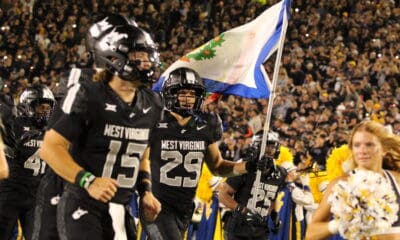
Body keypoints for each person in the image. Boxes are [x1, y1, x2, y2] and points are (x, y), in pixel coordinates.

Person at [39, 23, 163, 239]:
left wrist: (146, 191)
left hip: (122, 207)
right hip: (83, 201)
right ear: (114, 57)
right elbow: (50, 148)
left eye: (148, 56)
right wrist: (89, 181)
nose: (146, 63)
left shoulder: (153, 103)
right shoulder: (90, 94)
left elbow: (142, 153)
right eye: (138, 56)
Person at [141, 67, 259, 240]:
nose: (188, 98)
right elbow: (140, 161)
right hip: (158, 205)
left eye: (192, 94)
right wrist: (145, 192)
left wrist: (247, 166)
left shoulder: (205, 126)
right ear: (170, 93)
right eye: (183, 93)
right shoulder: (155, 121)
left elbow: (218, 167)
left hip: (185, 207)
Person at [305, 120, 400, 240]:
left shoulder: (397, 180)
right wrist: (339, 224)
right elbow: (311, 233)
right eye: (357, 145)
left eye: (369, 144)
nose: (362, 150)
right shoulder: (340, 184)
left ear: (384, 149)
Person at [0, 84, 55, 239]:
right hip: (10, 192)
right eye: (40, 107)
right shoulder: (14, 124)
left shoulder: (53, 129)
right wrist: (11, 146)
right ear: (27, 106)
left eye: (47, 108)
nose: (45, 111)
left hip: (36, 196)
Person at [218, 131, 288, 240]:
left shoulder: (280, 173)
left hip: (261, 229)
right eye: (265, 146)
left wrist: (274, 214)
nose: (269, 149)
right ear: (256, 148)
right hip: (239, 228)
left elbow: (272, 197)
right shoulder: (245, 168)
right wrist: (243, 211)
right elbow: (222, 195)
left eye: (272, 146)